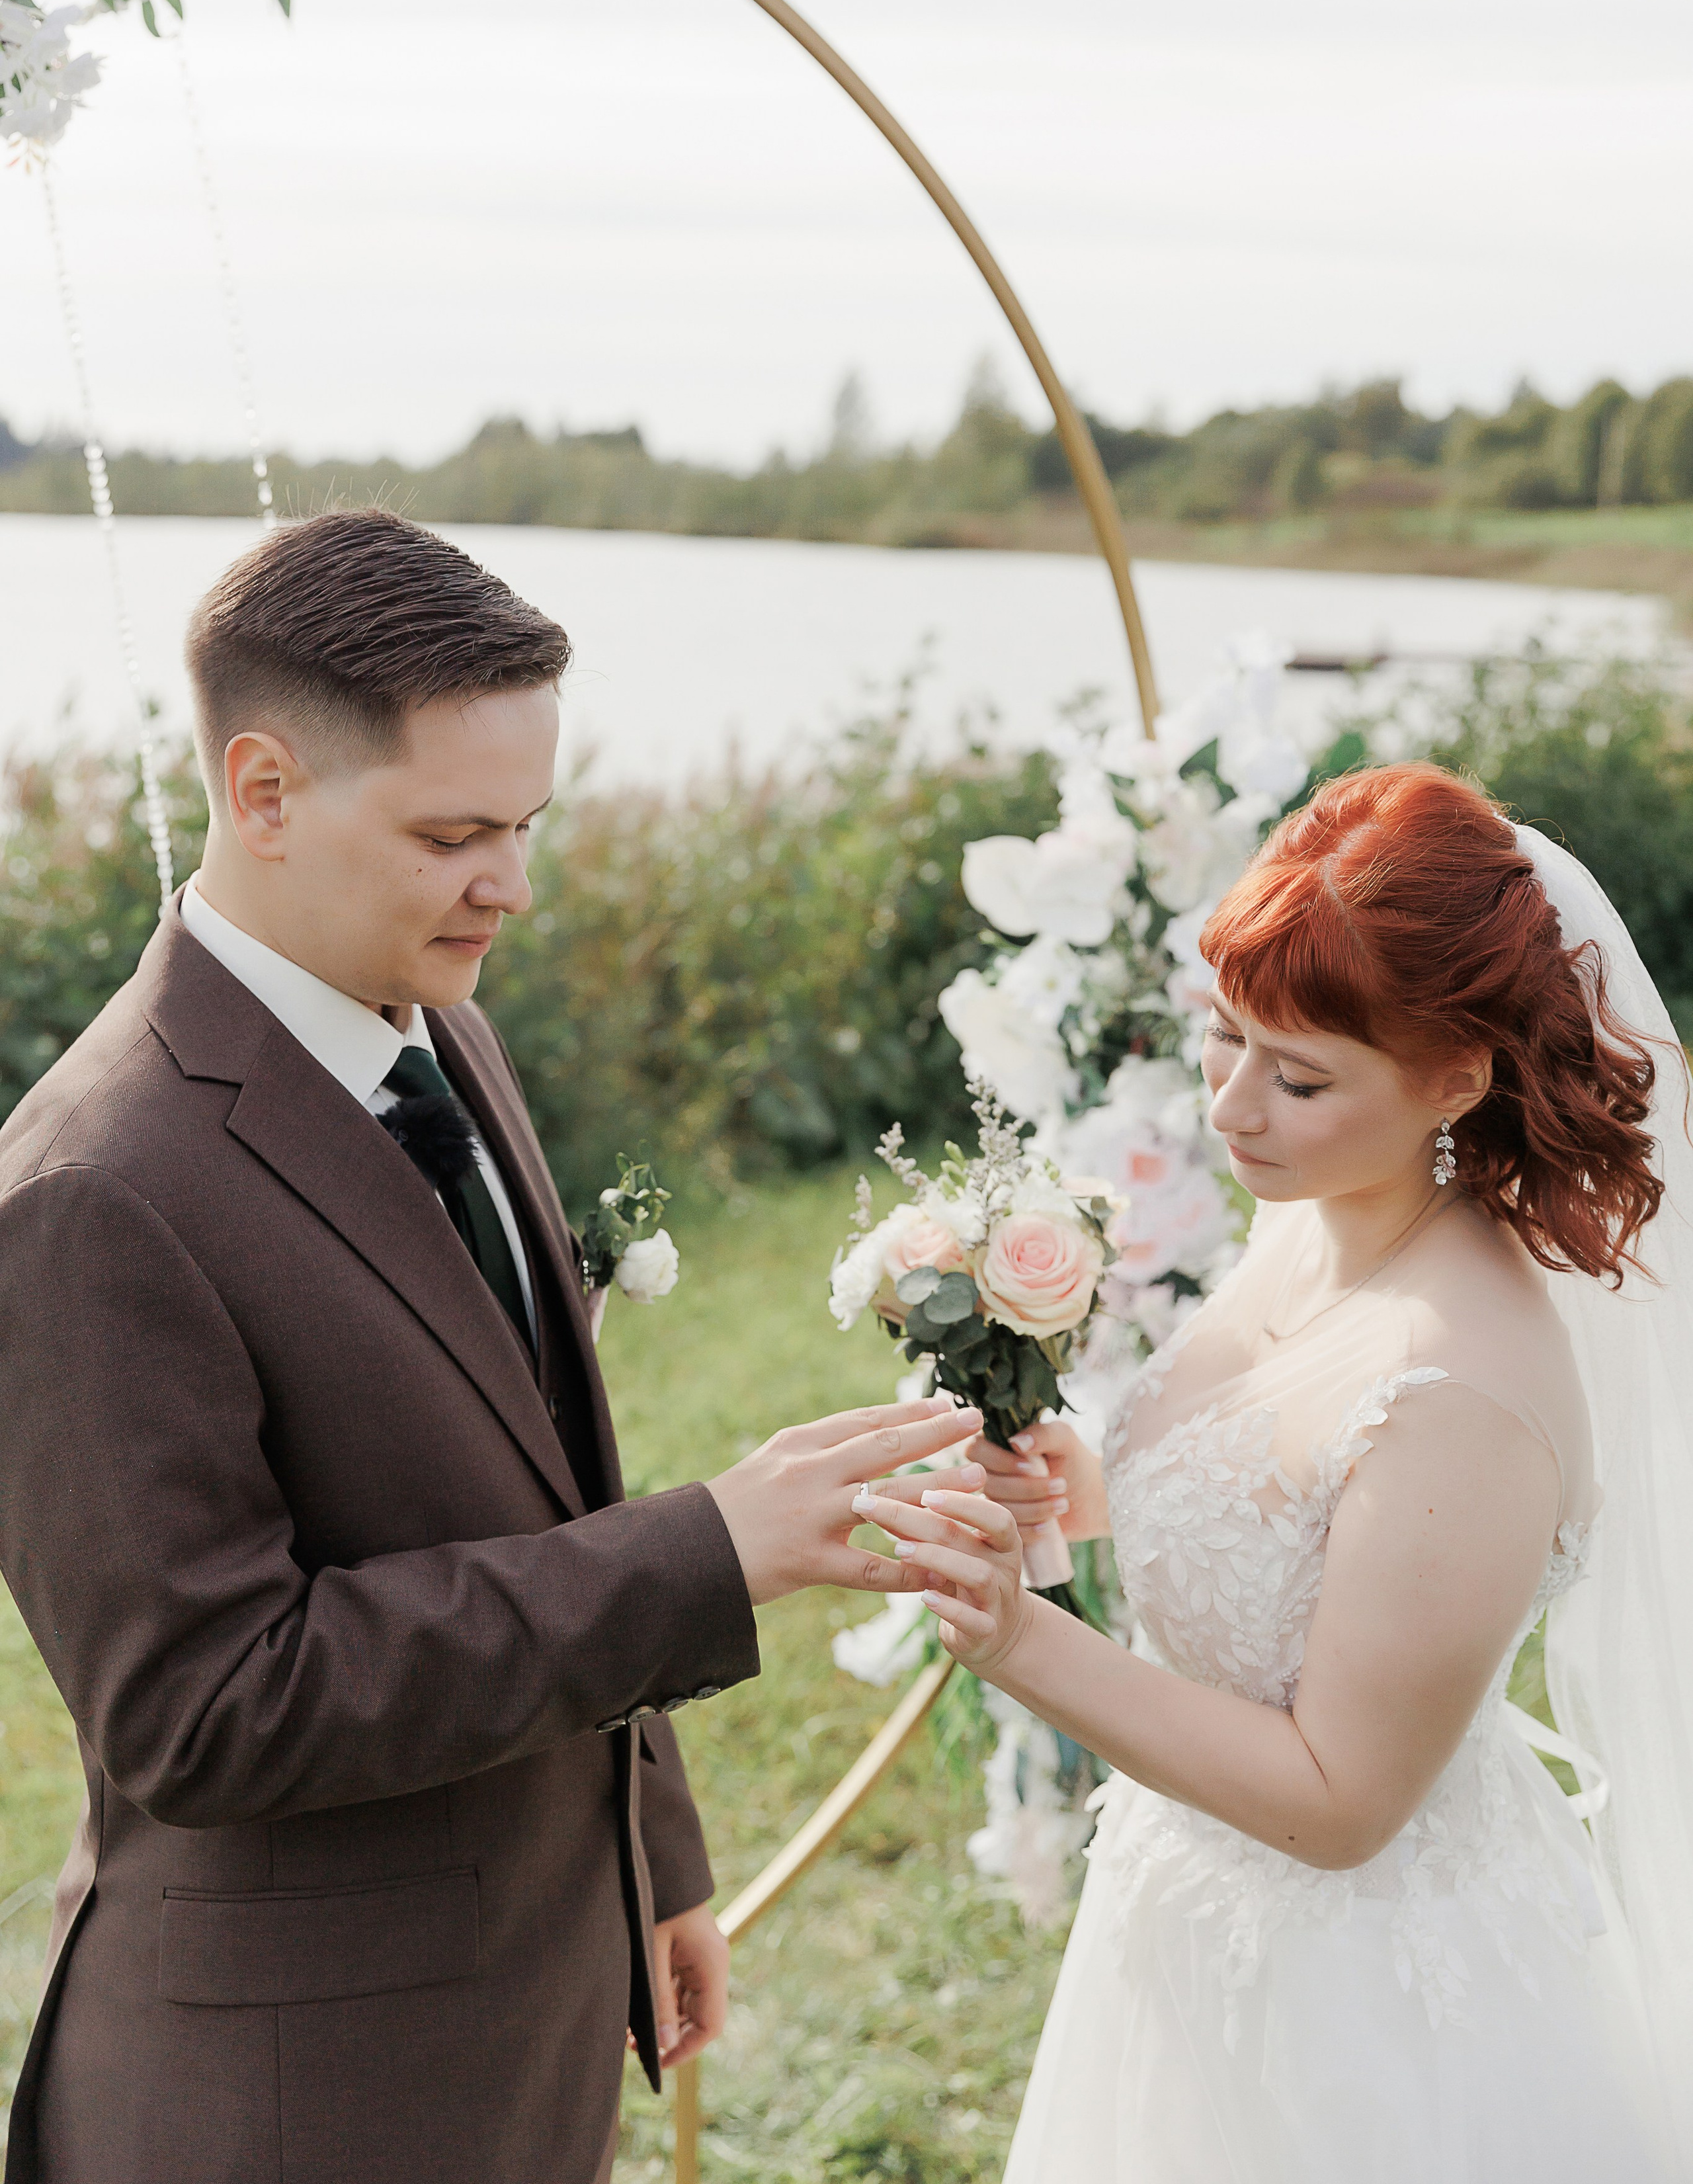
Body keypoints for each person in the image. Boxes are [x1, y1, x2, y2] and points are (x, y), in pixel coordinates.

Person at [0, 507, 982, 2184]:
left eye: (527, 826)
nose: (512, 887)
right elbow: (205, 1711)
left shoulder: (441, 1026)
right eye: (454, 833)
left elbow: (534, 1484)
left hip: (520, 2009)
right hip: (290, 2103)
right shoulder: (90, 1192)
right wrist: (704, 1556)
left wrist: (651, 1855)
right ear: (262, 791)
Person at [862, 764, 1693, 2181]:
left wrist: (1015, 1640)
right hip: (1190, 1923)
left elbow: (1339, 1800)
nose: (1233, 1108)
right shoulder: (1320, 1212)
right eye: (1223, 1037)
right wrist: (1087, 1485)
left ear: (1456, 1078)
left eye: (1299, 1077)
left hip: (1367, 2025)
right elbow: (1290, 1510)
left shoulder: (1462, 1388)